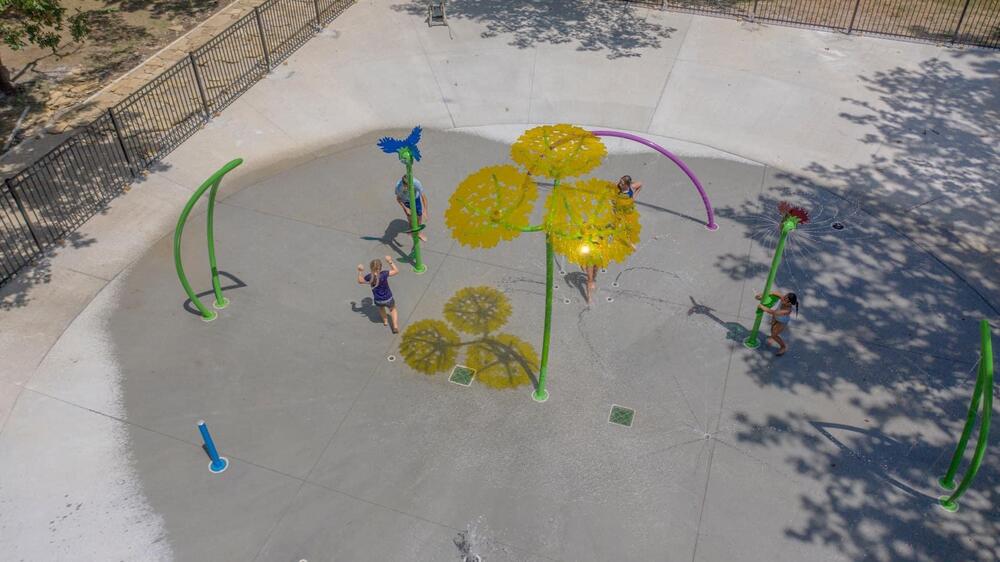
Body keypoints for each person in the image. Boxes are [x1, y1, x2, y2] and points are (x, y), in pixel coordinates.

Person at [357, 256, 400, 333]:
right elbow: (396, 271)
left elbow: (360, 281)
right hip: (388, 298)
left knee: (381, 308)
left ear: (371, 268)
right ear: (381, 267)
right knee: (393, 309)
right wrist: (390, 261)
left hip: (378, 299)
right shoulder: (384, 274)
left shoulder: (369, 277)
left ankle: (385, 321)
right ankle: (395, 326)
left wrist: (360, 271)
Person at [756, 290, 799, 356]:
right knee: (772, 328)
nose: (782, 299)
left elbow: (774, 312)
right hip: (776, 317)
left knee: (774, 335)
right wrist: (761, 295)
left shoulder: (787, 310)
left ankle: (783, 347)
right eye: (784, 297)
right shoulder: (783, 298)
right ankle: (772, 337)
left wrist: (762, 307)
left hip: (781, 322)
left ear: (789, 303)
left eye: (785, 300)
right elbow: (772, 292)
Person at [395, 175, 428, 242]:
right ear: (404, 184)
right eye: (407, 187)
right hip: (405, 200)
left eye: (410, 186)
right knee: (409, 215)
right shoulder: (399, 187)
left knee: (419, 214)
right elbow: (398, 199)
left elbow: (424, 197)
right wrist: (405, 208)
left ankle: (419, 233)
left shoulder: (416, 183)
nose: (408, 188)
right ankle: (411, 229)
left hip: (415, 198)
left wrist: (425, 210)